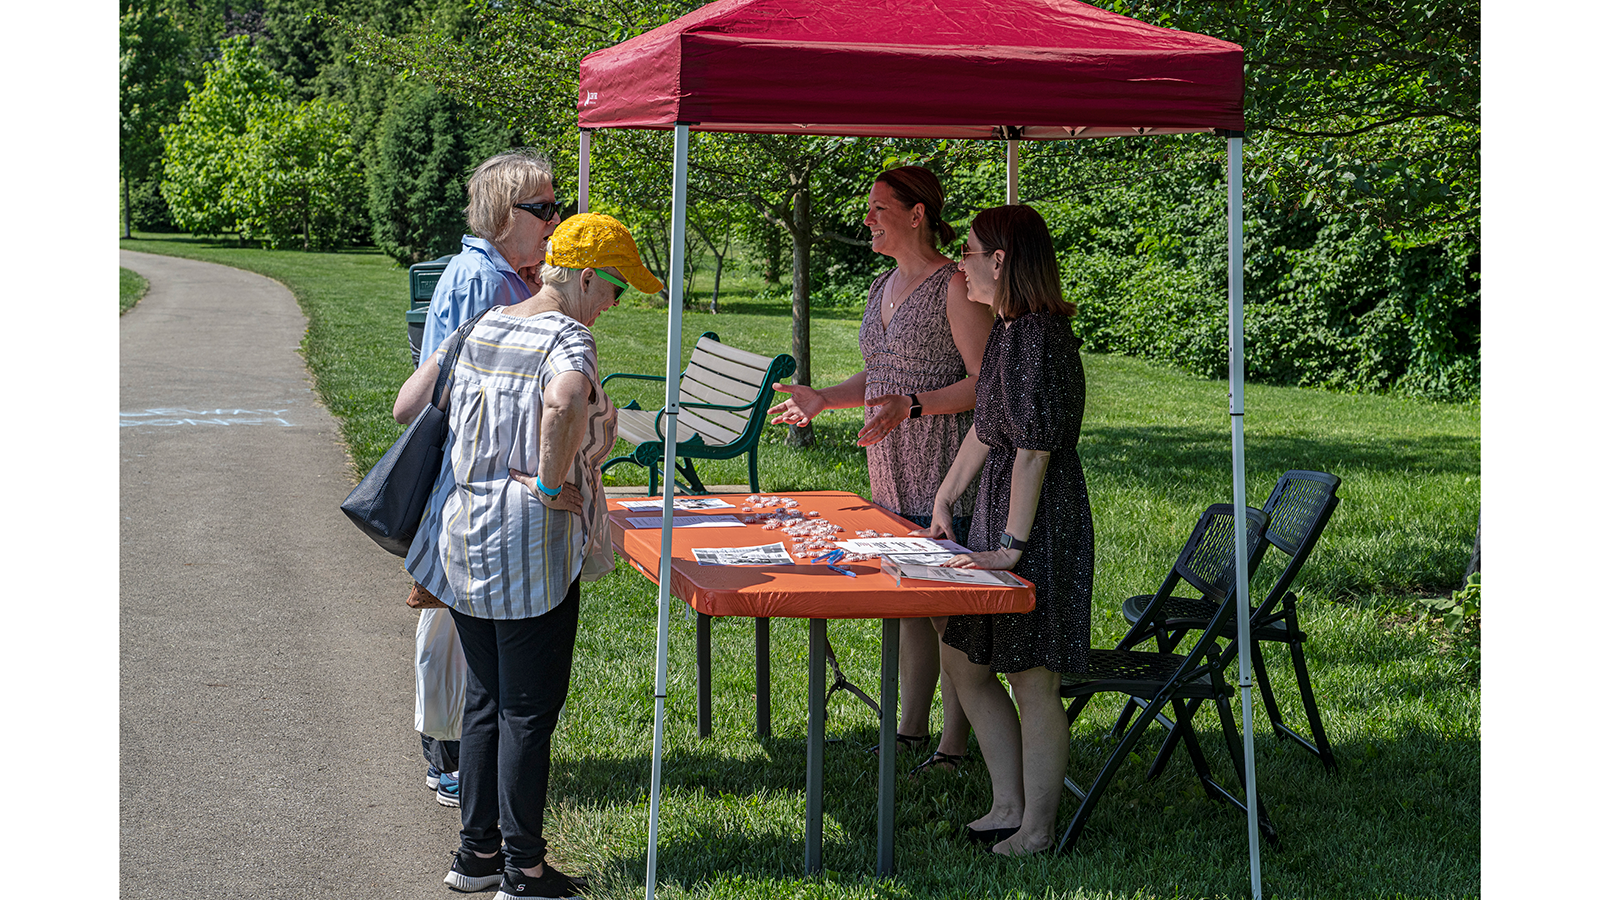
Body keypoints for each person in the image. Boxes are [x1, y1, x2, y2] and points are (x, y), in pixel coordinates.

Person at [395, 213, 659, 899]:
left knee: (486, 700)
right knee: (527, 712)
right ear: (585, 278)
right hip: (528, 546)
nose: (613, 305)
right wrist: (549, 480)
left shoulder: (488, 323)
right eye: (616, 290)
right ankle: (525, 869)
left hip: (464, 534)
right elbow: (566, 398)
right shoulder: (568, 336)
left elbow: (407, 404)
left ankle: (475, 856)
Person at [767, 165, 994, 773]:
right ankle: (911, 732)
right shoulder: (880, 287)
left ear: (916, 215)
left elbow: (982, 385)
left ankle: (954, 746)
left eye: (878, 209)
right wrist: (825, 398)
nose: (866, 219)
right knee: (909, 604)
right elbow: (883, 375)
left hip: (947, 473)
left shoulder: (955, 285)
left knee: (949, 614)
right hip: (890, 473)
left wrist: (913, 406)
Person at [916, 204, 1093, 856]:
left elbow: (1033, 451)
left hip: (1041, 524)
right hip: (1001, 511)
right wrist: (944, 496)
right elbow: (988, 432)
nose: (958, 262)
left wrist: (1013, 548)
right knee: (967, 659)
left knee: (1034, 675)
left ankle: (1039, 828)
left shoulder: (1040, 338)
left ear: (1001, 260)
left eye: (967, 251)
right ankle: (1008, 803)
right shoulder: (1008, 332)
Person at [411, 149, 565, 806]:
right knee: (453, 626)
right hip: (472, 478)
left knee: (461, 621)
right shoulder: (483, 282)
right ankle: (446, 759)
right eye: (545, 208)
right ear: (506, 214)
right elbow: (457, 392)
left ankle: (456, 760)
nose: (556, 219)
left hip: (476, 479)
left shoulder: (499, 273)